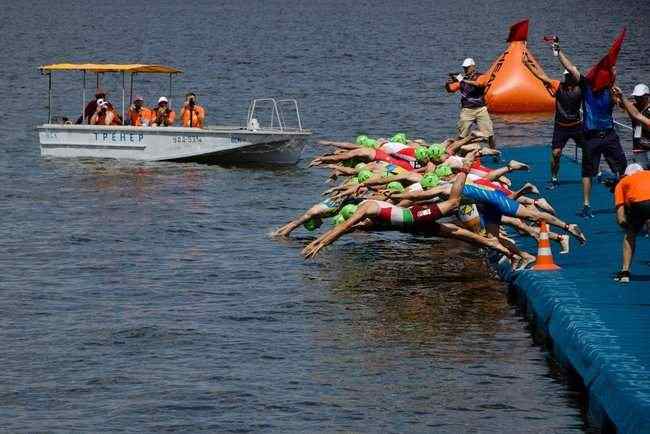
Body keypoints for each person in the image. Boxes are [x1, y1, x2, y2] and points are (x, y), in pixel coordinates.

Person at [553, 36, 627, 218]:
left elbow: (623, 108)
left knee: (623, 166)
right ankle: (586, 205)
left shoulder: (611, 91)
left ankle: (624, 199)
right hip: (591, 137)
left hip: (609, 135)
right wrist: (558, 51)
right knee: (587, 171)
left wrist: (622, 97)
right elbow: (570, 67)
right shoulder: (586, 86)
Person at [523, 53, 585, 188]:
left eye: (570, 75)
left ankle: (594, 171)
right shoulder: (558, 86)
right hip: (561, 127)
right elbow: (541, 76)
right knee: (556, 154)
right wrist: (528, 65)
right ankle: (554, 176)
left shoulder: (581, 88)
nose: (568, 77)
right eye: (566, 76)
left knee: (588, 149)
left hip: (576, 126)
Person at [445, 58, 496, 151]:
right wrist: (448, 82)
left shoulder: (481, 76)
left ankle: (495, 153)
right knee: (462, 135)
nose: (465, 70)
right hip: (467, 110)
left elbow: (479, 84)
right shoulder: (462, 80)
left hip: (481, 109)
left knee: (489, 134)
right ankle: (454, 152)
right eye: (464, 68)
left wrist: (462, 80)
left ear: (473, 67)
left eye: (467, 68)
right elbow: (450, 90)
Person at [613, 163, 650, 282]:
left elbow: (620, 214)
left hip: (638, 205)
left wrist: (626, 225)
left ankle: (625, 272)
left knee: (629, 237)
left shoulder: (622, 183)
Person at [616, 84, 650, 168]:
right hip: (638, 149)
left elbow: (636, 115)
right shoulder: (634, 107)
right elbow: (620, 102)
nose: (638, 99)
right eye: (636, 97)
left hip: (649, 149)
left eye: (640, 97)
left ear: (647, 96)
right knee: (640, 172)